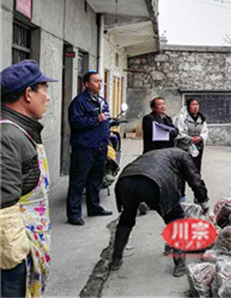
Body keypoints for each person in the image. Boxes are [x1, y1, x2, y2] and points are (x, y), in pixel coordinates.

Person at [1, 60, 56, 297]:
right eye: (44, 89)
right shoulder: (7, 136)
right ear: (28, 94)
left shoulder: (22, 130)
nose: (48, 97)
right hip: (12, 254)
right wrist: (17, 257)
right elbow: (2, 204)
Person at [109, 148, 209, 277]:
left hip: (125, 180)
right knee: (175, 218)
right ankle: (179, 264)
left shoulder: (157, 153)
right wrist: (204, 203)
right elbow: (195, 180)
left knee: (127, 217)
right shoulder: (184, 156)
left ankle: (116, 260)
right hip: (155, 182)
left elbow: (140, 175)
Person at [66, 71, 113, 226]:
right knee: (78, 181)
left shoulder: (101, 101)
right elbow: (76, 122)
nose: (100, 84)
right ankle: (74, 214)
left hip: (100, 147)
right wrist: (96, 119)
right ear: (86, 84)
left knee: (95, 180)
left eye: (101, 81)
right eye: (96, 81)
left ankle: (94, 207)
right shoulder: (79, 102)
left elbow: (105, 120)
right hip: (84, 148)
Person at [174, 97, 208, 173]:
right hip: (184, 147)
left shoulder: (201, 118)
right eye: (193, 105)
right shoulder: (182, 118)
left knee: (196, 168)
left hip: (197, 147)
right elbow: (179, 132)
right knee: (184, 169)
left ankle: (196, 180)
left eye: (197, 104)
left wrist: (200, 137)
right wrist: (190, 139)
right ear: (188, 106)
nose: (195, 107)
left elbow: (205, 131)